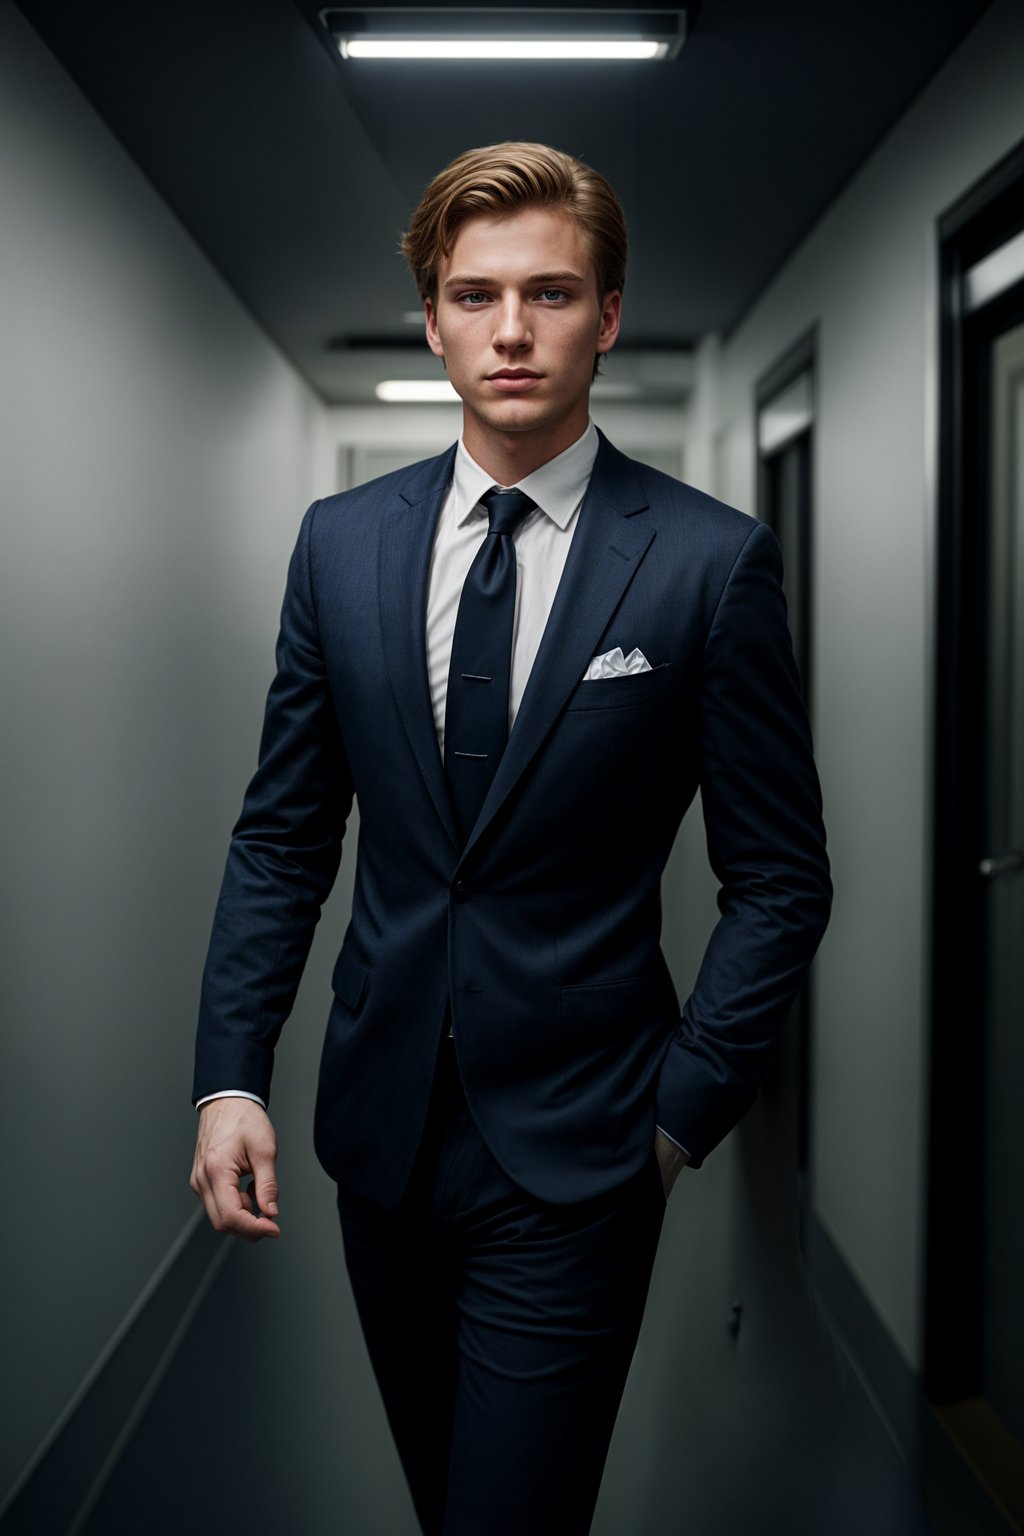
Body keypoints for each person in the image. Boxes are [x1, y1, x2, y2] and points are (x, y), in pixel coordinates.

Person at [190, 141, 831, 1536]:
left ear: (607, 315)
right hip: (381, 1141)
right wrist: (229, 1078)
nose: (513, 330)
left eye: (551, 293)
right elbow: (284, 835)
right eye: (475, 296)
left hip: (590, 1146)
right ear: (431, 317)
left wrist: (679, 1118)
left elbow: (780, 880)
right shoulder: (339, 545)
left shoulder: (710, 563)